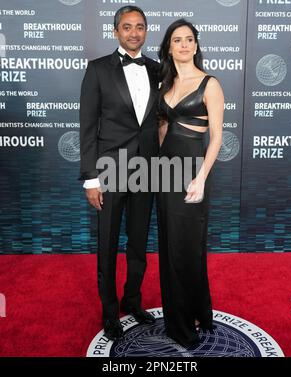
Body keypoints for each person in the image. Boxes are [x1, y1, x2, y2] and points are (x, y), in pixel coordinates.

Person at [79, 6, 159, 341]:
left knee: (138, 243)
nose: (134, 33)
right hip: (109, 171)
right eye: (127, 27)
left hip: (148, 170)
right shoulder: (98, 69)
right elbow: (87, 127)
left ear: (145, 31)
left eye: (140, 27)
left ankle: (133, 300)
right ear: (115, 31)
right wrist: (91, 179)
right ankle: (110, 312)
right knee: (108, 245)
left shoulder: (158, 69)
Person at [157, 19, 224, 348]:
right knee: (169, 245)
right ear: (169, 47)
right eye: (177, 40)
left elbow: (217, 137)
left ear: (196, 46)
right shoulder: (164, 84)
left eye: (189, 39)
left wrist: (200, 177)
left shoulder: (209, 84)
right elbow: (162, 130)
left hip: (192, 174)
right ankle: (187, 313)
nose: (183, 44)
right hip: (165, 173)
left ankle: (187, 324)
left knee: (188, 248)